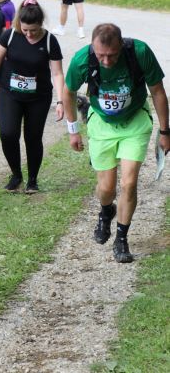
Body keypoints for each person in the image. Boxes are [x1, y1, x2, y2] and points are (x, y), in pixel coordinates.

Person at [62, 23, 168, 263]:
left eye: (112, 55)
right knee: (106, 189)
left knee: (129, 183)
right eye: (101, 55)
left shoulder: (139, 52)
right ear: (93, 47)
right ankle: (106, 210)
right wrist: (73, 131)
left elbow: (158, 91)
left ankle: (121, 239)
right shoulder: (82, 59)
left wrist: (165, 131)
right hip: (101, 124)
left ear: (121, 45)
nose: (106, 61)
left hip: (135, 122)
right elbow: (68, 92)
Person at [0, 0, 65, 193]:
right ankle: (16, 175)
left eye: (33, 30)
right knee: (8, 133)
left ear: (41, 24)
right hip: (9, 93)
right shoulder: (10, 35)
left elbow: (57, 73)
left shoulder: (49, 40)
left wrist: (60, 101)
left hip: (38, 97)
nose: (29, 34)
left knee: (33, 137)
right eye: (25, 29)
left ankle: (32, 180)